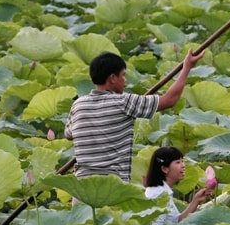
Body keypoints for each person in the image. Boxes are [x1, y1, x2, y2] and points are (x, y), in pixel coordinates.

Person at [64, 49, 205, 183]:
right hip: (113, 186)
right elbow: (169, 100)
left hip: (82, 187)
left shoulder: (78, 105)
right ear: (112, 78)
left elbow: (69, 135)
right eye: (123, 75)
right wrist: (186, 68)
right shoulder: (124, 102)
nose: (125, 81)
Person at [144, 146, 212, 225]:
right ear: (164, 169)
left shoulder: (163, 191)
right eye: (178, 162)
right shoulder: (157, 194)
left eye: (182, 161)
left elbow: (176, 222)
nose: (183, 166)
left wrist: (196, 200)